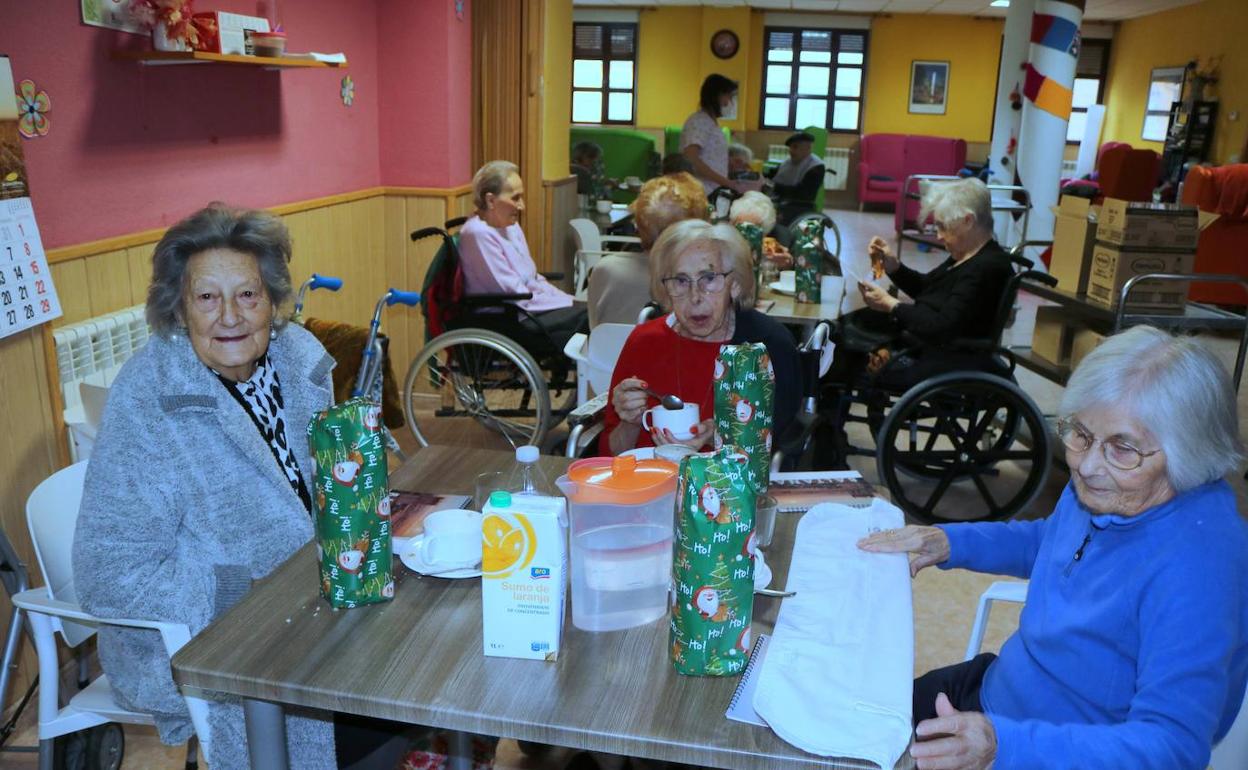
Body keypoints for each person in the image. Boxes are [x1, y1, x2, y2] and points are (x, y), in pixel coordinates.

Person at [71, 205, 407, 769]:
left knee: (422, 668)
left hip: (314, 601)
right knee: (384, 718)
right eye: (206, 298)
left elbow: (314, 483)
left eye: (248, 295)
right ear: (178, 307)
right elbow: (107, 575)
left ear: (273, 302)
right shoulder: (150, 398)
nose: (229, 316)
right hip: (210, 639)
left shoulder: (295, 356)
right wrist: (235, 592)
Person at [858, 325, 1248, 770]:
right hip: (999, 692)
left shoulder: (1199, 569)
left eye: (1123, 448)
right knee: (855, 711)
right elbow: (1054, 540)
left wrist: (1004, 746)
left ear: (1189, 453)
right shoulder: (1113, 487)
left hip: (1057, 751)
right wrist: (951, 540)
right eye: (1080, 433)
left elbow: (1172, 748)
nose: (1086, 465)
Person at [602, 220, 800, 455]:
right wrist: (630, 423)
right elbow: (609, 455)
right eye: (681, 281)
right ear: (666, 288)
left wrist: (722, 439)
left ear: (734, 285)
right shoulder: (643, 342)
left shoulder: (766, 347)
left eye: (708, 278)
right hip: (647, 486)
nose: (695, 297)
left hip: (729, 488)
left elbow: (780, 453)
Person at [459, 160, 587, 350]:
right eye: (515, 198)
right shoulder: (478, 234)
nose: (522, 206)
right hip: (508, 317)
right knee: (587, 317)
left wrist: (567, 299)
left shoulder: (511, 226)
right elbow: (513, 292)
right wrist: (565, 302)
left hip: (526, 308)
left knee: (589, 310)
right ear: (491, 200)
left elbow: (532, 278)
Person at [587, 172, 708, 328]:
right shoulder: (704, 282)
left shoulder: (605, 269)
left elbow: (595, 327)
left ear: (638, 223)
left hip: (609, 352)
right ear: (695, 226)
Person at [681, 74, 739, 196]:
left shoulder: (710, 122)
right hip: (701, 193)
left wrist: (727, 160)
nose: (729, 103)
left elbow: (707, 155)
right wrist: (726, 182)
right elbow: (691, 159)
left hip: (711, 192)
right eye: (728, 97)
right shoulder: (699, 121)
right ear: (716, 96)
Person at [766, 131, 825, 225]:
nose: (791, 151)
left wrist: (773, 186)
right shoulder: (789, 162)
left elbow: (803, 194)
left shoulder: (816, 167)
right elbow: (772, 175)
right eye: (790, 147)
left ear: (807, 148)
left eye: (795, 147)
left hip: (798, 207)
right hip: (781, 201)